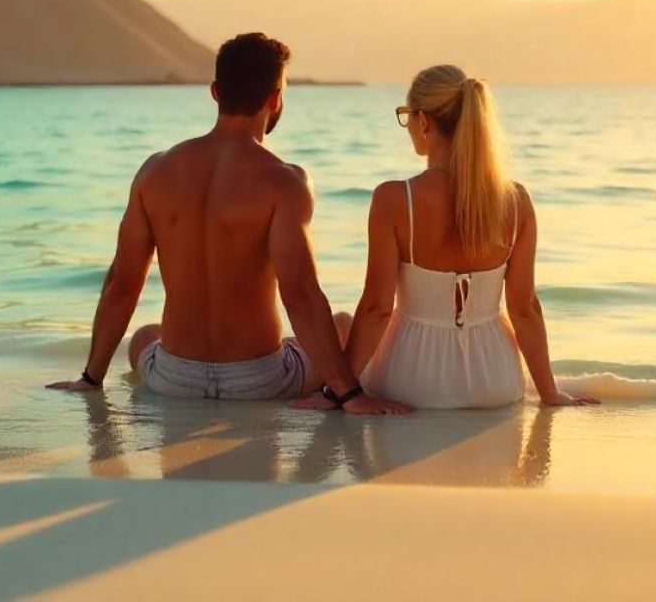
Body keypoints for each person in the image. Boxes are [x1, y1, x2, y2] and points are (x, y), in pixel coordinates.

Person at [47, 32, 410, 416]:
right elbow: (300, 294)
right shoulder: (284, 181)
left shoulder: (155, 171)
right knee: (341, 324)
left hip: (174, 377)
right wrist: (348, 392)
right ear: (275, 98)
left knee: (145, 336)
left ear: (216, 92)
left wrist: (90, 379)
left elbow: (123, 284)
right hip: (259, 380)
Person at [299, 64, 600, 410]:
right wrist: (550, 394)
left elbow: (376, 309)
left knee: (341, 332)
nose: (407, 124)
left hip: (411, 378)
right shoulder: (516, 202)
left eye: (406, 115)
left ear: (423, 120)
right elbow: (524, 309)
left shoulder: (395, 199)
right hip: (496, 380)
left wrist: (340, 393)